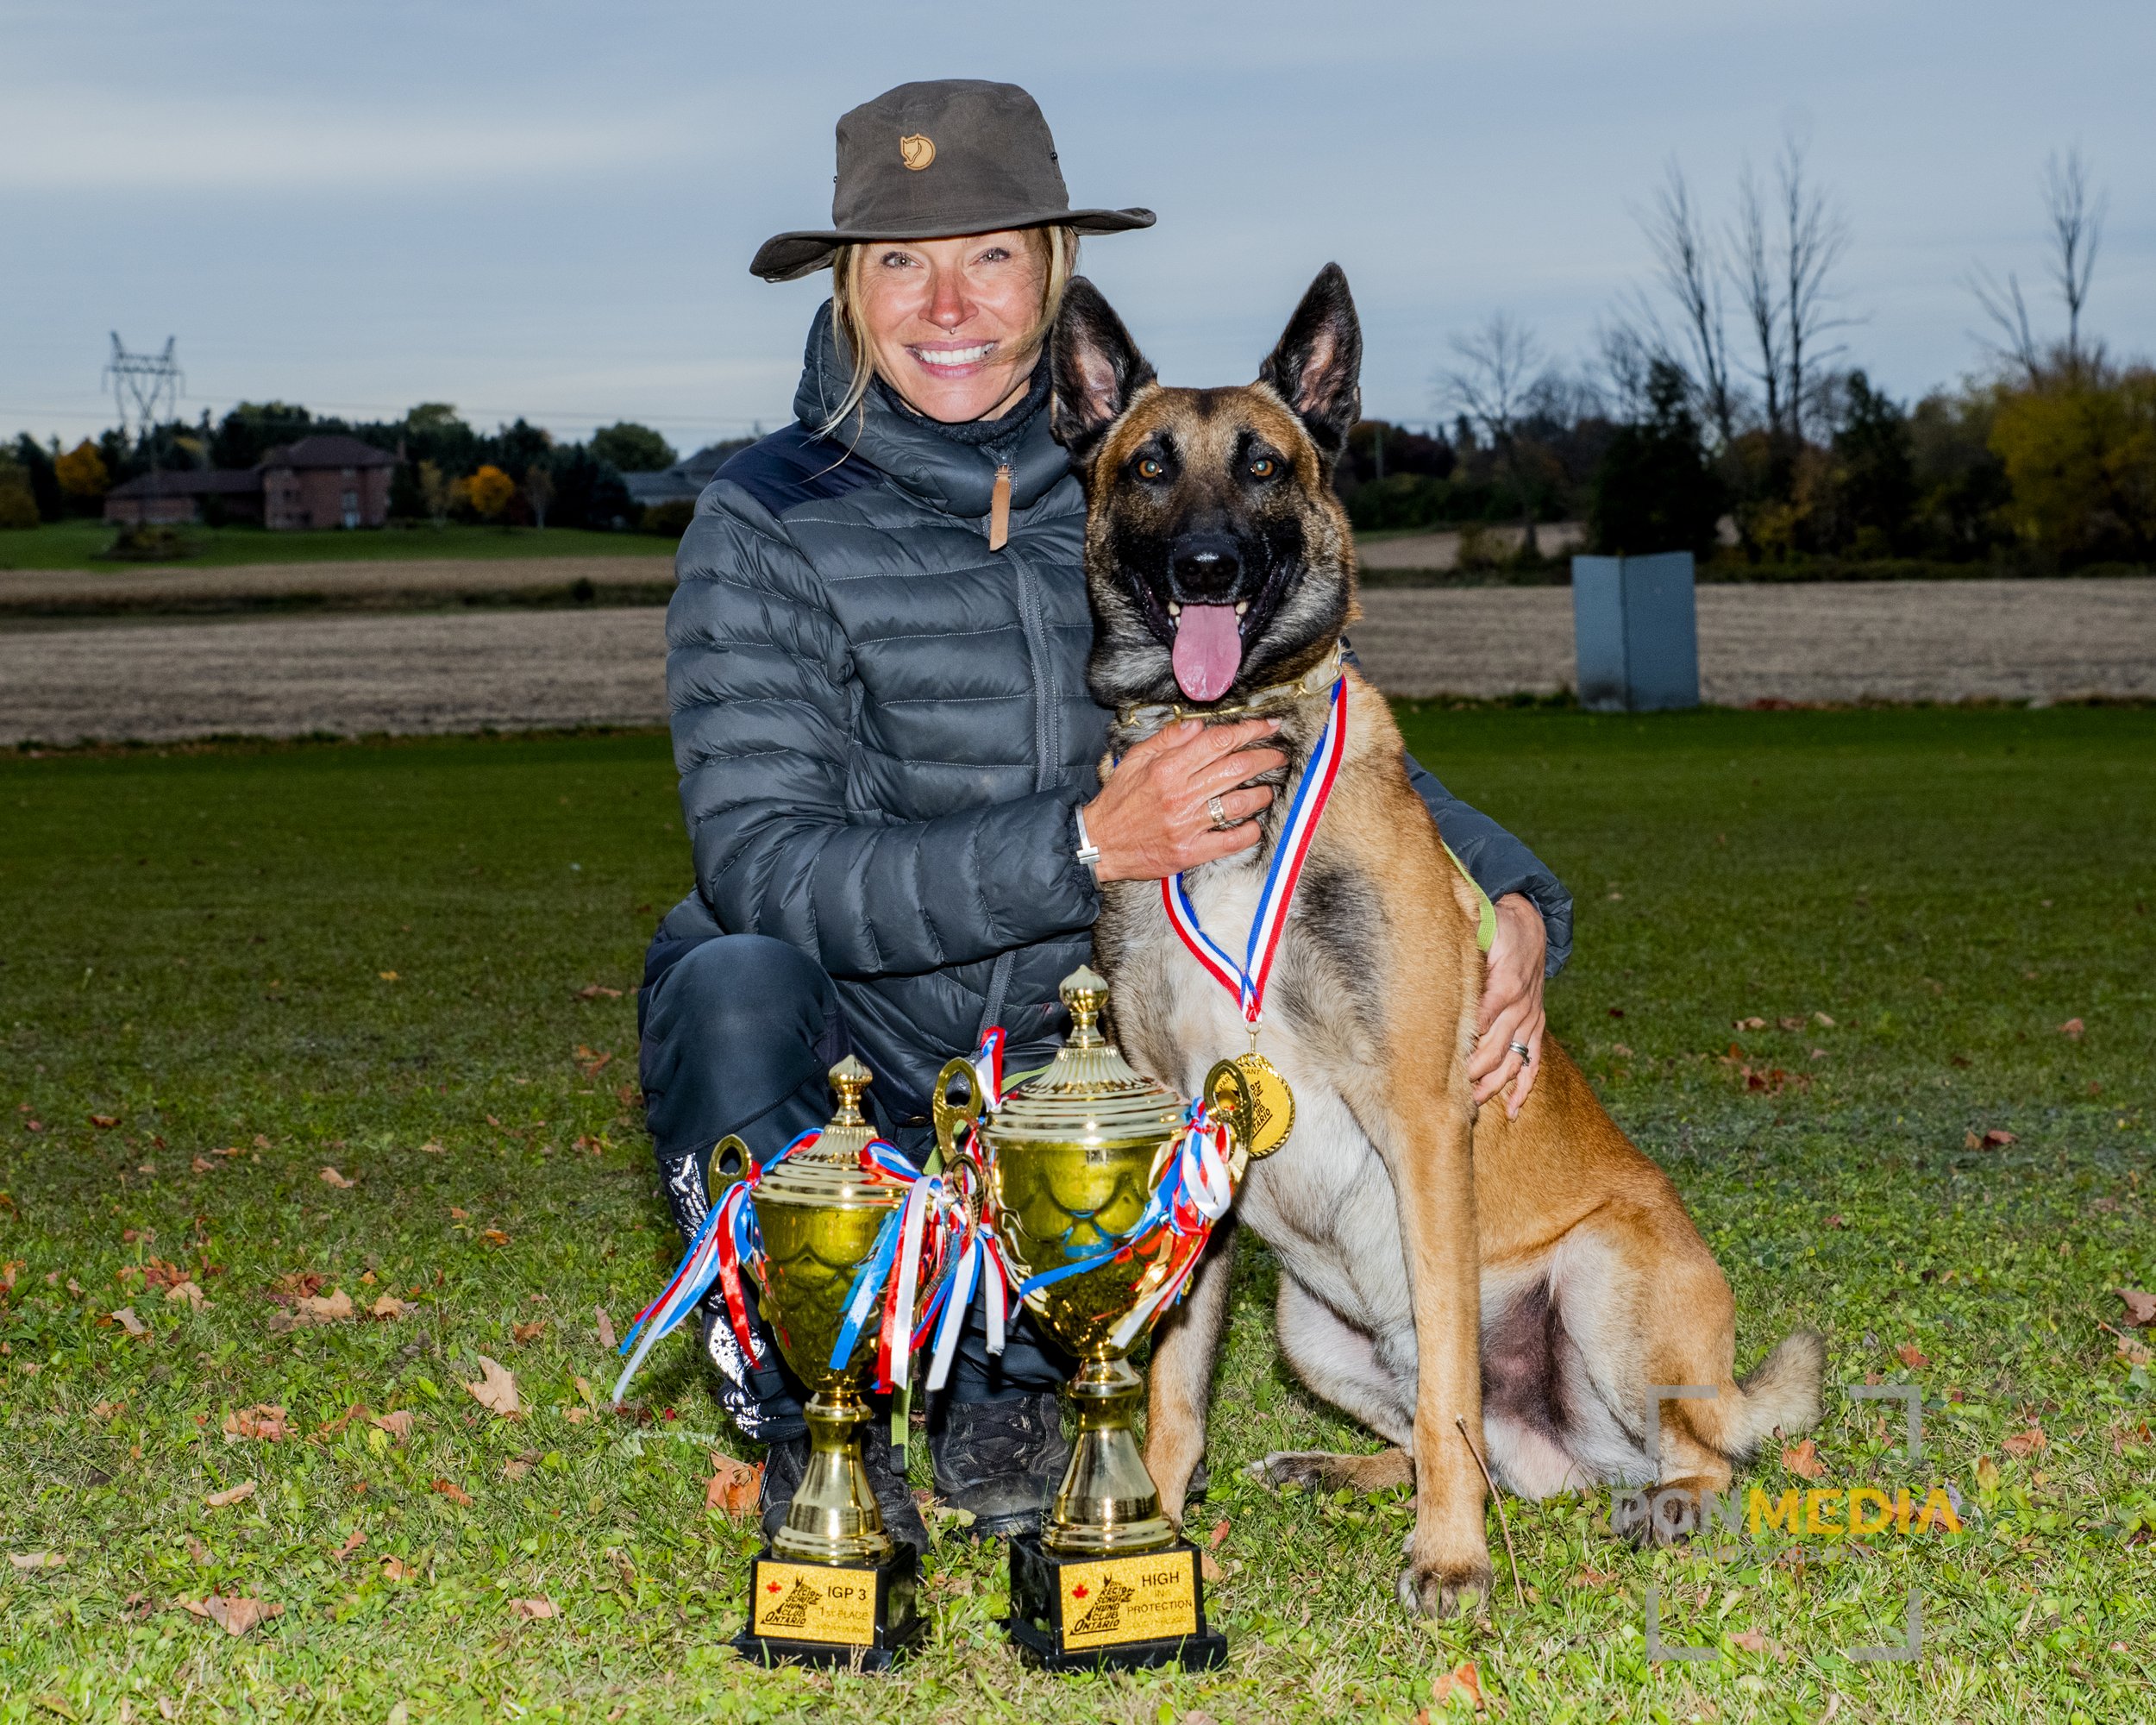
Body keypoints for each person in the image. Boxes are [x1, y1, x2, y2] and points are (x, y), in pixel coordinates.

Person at [637, 78, 1573, 1553]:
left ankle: (1020, 1379)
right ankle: (809, 1406)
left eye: (993, 255)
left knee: (1115, 1164)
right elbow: (763, 865)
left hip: (1070, 1084)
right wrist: (1084, 845)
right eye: (900, 263)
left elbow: (1319, 743)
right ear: (848, 289)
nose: (949, 302)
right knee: (726, 978)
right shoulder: (766, 521)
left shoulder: (1130, 497)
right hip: (867, 1065)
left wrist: (1517, 898)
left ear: (1054, 278)